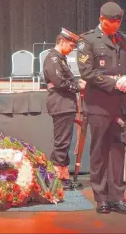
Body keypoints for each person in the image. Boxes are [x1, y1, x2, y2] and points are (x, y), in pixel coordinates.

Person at [77, 1, 126, 215]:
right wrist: (115, 83)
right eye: (112, 21)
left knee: (117, 151)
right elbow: (87, 72)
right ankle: (101, 197)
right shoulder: (88, 40)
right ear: (101, 19)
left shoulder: (125, 40)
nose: (116, 25)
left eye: (118, 21)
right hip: (98, 105)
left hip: (120, 105)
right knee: (99, 151)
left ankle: (117, 197)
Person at [43, 28, 86, 190]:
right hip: (60, 103)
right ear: (62, 42)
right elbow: (60, 82)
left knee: (65, 141)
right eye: (71, 45)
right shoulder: (53, 59)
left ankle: (63, 175)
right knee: (62, 142)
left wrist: (77, 83)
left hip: (65, 104)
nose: (72, 49)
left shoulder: (60, 58)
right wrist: (78, 86)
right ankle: (58, 179)